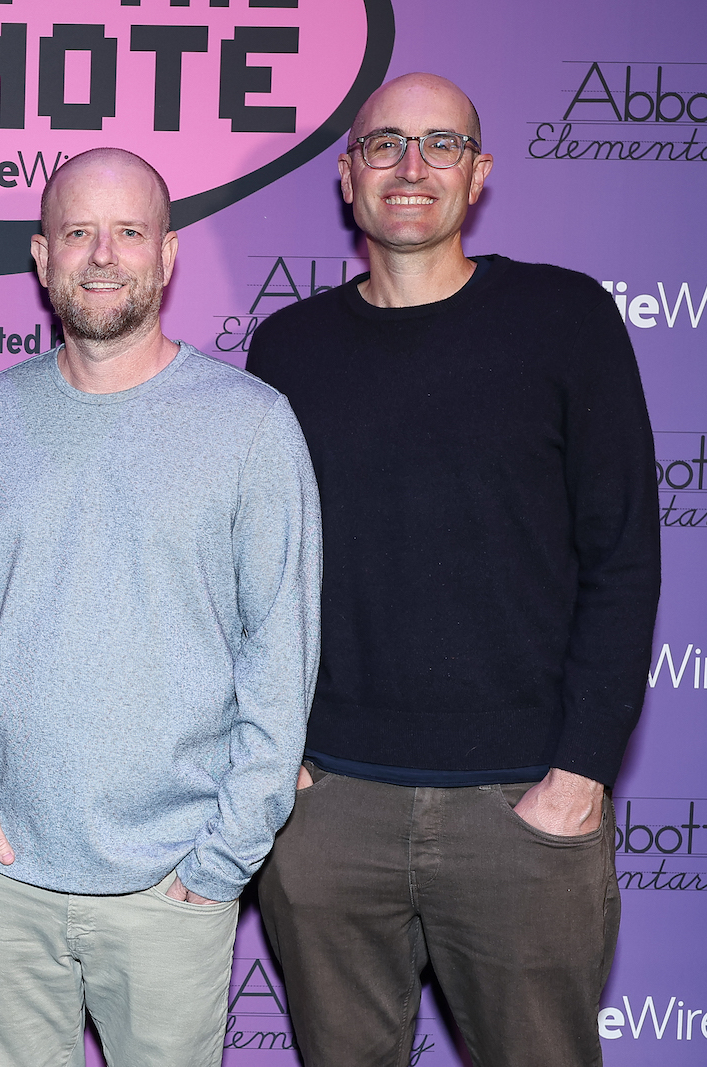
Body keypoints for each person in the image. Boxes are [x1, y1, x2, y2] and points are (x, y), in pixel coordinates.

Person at [247, 73, 661, 1067]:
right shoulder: (286, 348)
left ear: (478, 175)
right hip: (327, 808)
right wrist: (286, 765)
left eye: (441, 143)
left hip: (521, 804)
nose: (410, 166)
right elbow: (250, 574)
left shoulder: (565, 320)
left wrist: (579, 772)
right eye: (383, 144)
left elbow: (623, 554)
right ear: (347, 177)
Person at [0, 147, 321, 1067]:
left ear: (169, 254)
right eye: (77, 233)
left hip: (172, 884)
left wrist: (219, 861)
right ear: (41, 256)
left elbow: (281, 653)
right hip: (7, 876)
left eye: (129, 232)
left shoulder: (252, 425)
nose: (102, 255)